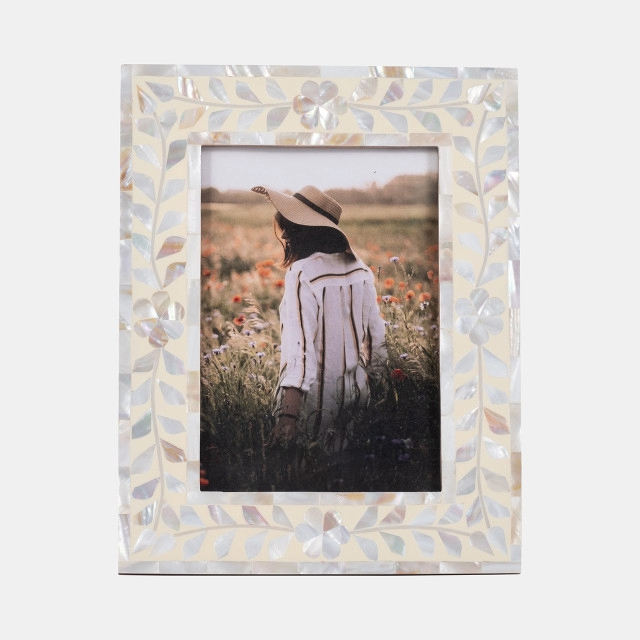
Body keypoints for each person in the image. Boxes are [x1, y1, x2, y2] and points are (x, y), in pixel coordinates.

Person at [250, 184, 388, 453]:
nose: (284, 234)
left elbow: (299, 351)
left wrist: (288, 417)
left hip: (312, 411)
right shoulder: (361, 270)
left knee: (307, 473)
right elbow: (377, 343)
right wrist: (379, 398)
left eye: (289, 226)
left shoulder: (302, 273)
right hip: (356, 405)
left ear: (304, 229)